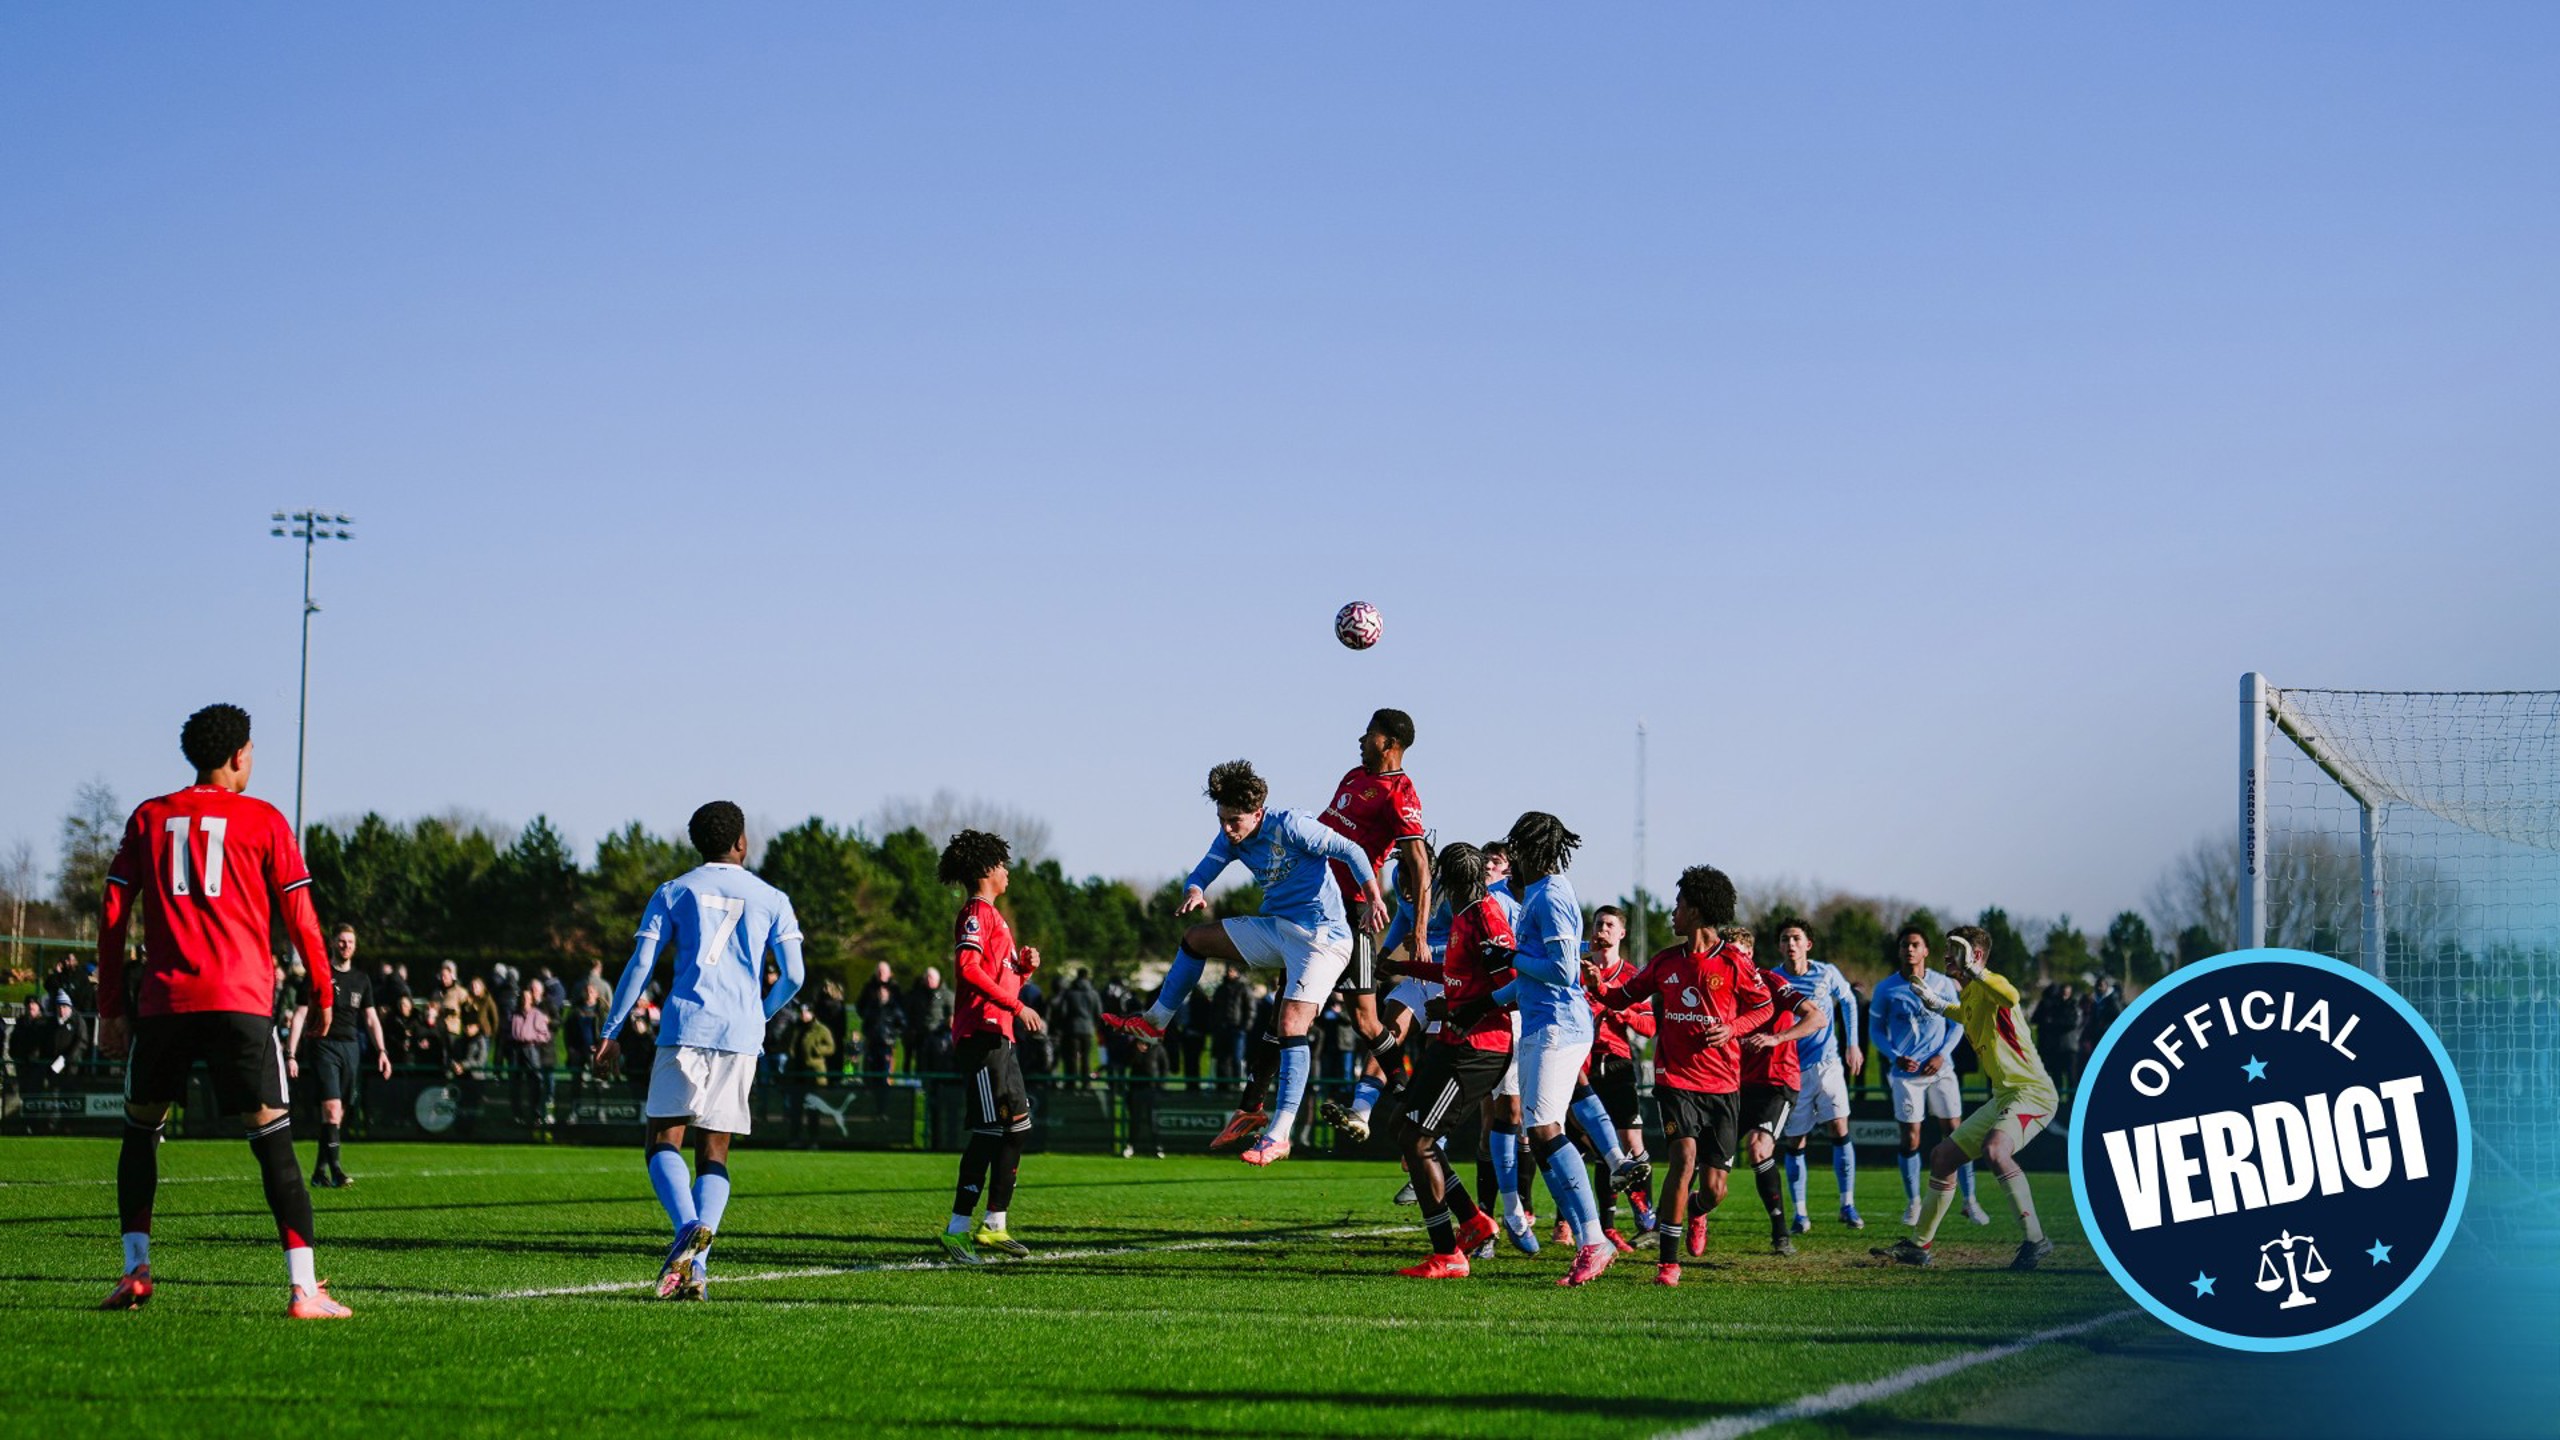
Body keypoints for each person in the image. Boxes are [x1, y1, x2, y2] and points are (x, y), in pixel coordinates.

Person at [93, 703, 350, 1317]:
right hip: (239, 1003)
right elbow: (301, 919)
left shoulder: (150, 817)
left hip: (164, 1005)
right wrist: (323, 990)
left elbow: (110, 916)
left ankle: (135, 1272)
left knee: (140, 1132)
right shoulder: (263, 819)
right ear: (240, 754)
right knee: (274, 1144)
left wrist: (109, 1006)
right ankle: (303, 1289)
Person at [1101, 760, 1383, 1166]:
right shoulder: (1232, 837)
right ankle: (1156, 1022)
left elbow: (1351, 850)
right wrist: (1195, 889)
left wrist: (1373, 896)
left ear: (1258, 812)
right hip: (1280, 929)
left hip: (1323, 940)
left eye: (1234, 820)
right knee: (1196, 939)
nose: (1228, 828)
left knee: (1290, 1023)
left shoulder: (1293, 826)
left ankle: (1280, 1135)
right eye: (1222, 819)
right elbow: (1203, 869)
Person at [595, 801, 804, 1302]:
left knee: (663, 1141)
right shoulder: (772, 897)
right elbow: (794, 975)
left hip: (686, 1026)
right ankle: (698, 1268)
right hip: (740, 1034)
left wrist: (611, 1030)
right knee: (714, 1152)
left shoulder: (673, 890)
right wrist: (762, 1012)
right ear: (741, 842)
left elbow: (641, 963)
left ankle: (688, 1227)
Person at [1588, 864, 1774, 1287]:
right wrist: (1598, 986)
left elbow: (1764, 1008)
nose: (1672, 912)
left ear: (1697, 910)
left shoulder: (1733, 963)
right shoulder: (1665, 962)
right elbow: (1623, 996)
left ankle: (1696, 1211)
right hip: (1674, 1080)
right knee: (1682, 1158)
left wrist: (1733, 1028)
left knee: (1714, 1190)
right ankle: (1668, 1264)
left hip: (1723, 1085)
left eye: (1678, 904)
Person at [1878, 927, 2062, 1271]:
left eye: (1954, 950)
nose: (1946, 956)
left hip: (2033, 1094)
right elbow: (1964, 1014)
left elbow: (2010, 997)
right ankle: (1919, 1247)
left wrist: (1977, 972)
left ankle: (2036, 1240)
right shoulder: (1973, 993)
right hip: (2004, 1096)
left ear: (1974, 956)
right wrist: (1936, 1004)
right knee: (1943, 1156)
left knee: (1995, 1150)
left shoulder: (1992, 984)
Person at [1500, 811, 1625, 1286]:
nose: (1511, 856)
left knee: (1546, 1130)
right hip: (1540, 1023)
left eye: (1517, 846)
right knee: (1539, 1132)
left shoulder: (1551, 895)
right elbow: (1531, 976)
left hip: (1559, 1027)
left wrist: (1510, 958)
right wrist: (1482, 1004)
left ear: (1533, 850)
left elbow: (1562, 969)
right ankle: (1590, 1237)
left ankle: (1594, 1240)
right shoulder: (1536, 894)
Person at [1386, 843, 1512, 1277]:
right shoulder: (1462, 915)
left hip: (1478, 1049)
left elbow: (1510, 987)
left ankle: (1447, 1254)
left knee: (1420, 1142)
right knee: (1401, 1128)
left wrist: (1456, 1012)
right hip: (1454, 1041)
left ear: (1449, 882)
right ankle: (1474, 1221)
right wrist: (1404, 969)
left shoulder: (1487, 918)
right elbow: (1455, 975)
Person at [935, 829, 1045, 1262]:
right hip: (981, 1037)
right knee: (988, 1130)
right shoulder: (975, 914)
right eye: (1001, 864)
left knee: (1017, 1128)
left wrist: (1024, 970)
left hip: (1000, 1037)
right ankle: (956, 1228)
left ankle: (994, 1225)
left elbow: (1000, 979)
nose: (1006, 871)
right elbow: (967, 969)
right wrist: (1018, 1005)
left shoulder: (997, 920)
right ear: (986, 871)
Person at [1871, 925, 1987, 1228]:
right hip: (1905, 1075)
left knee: (1957, 1134)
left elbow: (1958, 1024)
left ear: (1925, 951)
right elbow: (1876, 1031)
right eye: (1904, 945)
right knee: (1911, 1138)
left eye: (1915, 944)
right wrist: (1895, 1055)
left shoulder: (1944, 984)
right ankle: (1914, 1204)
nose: (1909, 950)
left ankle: (1969, 1200)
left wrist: (1941, 1054)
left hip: (1940, 1070)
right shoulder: (1886, 989)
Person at [1730, 926, 1827, 1256]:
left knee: (1758, 1147)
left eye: (1739, 953)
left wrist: (1776, 1038)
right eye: (1726, 954)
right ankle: (1684, 1221)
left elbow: (1818, 1018)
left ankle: (1780, 1232)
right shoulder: (1719, 985)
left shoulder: (1770, 981)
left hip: (1777, 1081)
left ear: (1750, 955)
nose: (1732, 961)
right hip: (1737, 1083)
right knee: (1707, 1157)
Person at [1770, 918, 1867, 1232]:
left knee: (1840, 1127)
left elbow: (1849, 1001)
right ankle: (1800, 1214)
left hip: (1828, 1064)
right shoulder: (1773, 978)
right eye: (1785, 939)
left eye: (1796, 938)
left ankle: (1847, 1205)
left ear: (1807, 944)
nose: (1791, 944)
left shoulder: (1826, 972)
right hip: (1793, 1070)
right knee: (1795, 1140)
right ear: (1780, 945)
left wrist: (1852, 1043)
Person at [1574, 906, 1657, 1249]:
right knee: (1598, 1146)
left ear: (1622, 933)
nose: (1602, 930)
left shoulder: (1634, 976)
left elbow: (1650, 1026)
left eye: (1609, 925)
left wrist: (1623, 1012)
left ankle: (1645, 1214)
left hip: (1619, 1064)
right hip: (1582, 1063)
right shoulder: (1576, 969)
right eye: (1597, 924)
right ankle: (1606, 1226)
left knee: (1633, 1145)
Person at [285, 924, 391, 1188]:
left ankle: (319, 1172)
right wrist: (290, 1054)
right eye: (341, 941)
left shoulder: (361, 979)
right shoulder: (318, 975)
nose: (346, 946)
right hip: (324, 1045)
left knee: (337, 1116)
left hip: (351, 1048)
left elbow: (371, 1018)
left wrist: (382, 1051)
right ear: (332, 943)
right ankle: (337, 1171)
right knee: (331, 1109)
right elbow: (299, 1016)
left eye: (350, 942)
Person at [507, 986, 555, 1130]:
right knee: (515, 1082)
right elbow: (509, 1032)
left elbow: (545, 1035)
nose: (524, 1001)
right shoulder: (515, 1015)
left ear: (532, 1000)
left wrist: (533, 1038)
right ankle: (517, 1115)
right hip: (516, 1048)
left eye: (527, 998)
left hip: (531, 1048)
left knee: (535, 1081)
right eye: (522, 998)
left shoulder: (537, 1015)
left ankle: (537, 1114)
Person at [1052, 968, 1102, 1086]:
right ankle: (1086, 1083)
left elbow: (1063, 1012)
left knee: (1072, 1057)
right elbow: (1099, 1013)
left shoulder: (1070, 993)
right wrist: (1093, 1025)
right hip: (1088, 1029)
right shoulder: (1094, 994)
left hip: (1072, 1029)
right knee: (1085, 1057)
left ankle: (1071, 1083)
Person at [2032, 981, 2083, 1095]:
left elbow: (2071, 1023)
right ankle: (2058, 1103)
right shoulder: (2054, 1006)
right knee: (2057, 1076)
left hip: (2068, 1046)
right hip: (2056, 1046)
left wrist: (2053, 1023)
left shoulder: (2073, 1005)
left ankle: (2071, 1104)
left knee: (2071, 1077)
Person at [857, 962, 903, 1084]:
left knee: (886, 1072)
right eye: (879, 971)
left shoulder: (895, 989)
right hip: (871, 1037)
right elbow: (860, 1007)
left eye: (883, 971)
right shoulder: (869, 988)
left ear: (889, 973)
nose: (881, 974)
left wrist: (893, 1033)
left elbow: (901, 1017)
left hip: (887, 1040)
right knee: (869, 1070)